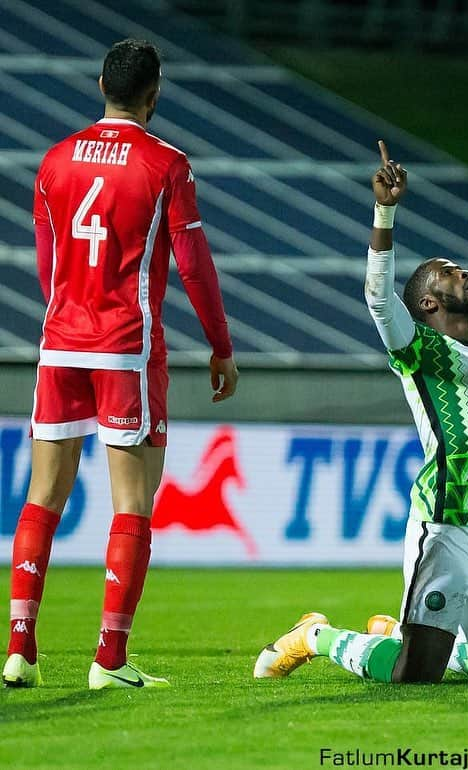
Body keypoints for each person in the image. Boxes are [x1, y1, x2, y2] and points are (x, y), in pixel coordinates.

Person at [253, 140, 468, 684]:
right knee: (415, 678)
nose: (464, 271)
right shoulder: (417, 349)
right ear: (428, 305)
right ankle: (316, 636)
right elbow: (376, 297)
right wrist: (385, 212)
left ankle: (411, 633)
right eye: (449, 272)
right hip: (448, 525)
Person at [3, 39, 238, 690]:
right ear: (153, 94)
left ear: (100, 83)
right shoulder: (166, 164)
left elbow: (48, 268)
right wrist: (220, 344)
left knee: (42, 497)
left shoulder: (53, 161)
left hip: (60, 340)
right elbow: (191, 264)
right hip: (124, 345)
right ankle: (109, 659)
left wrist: (67, 313)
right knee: (132, 502)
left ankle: (19, 649)